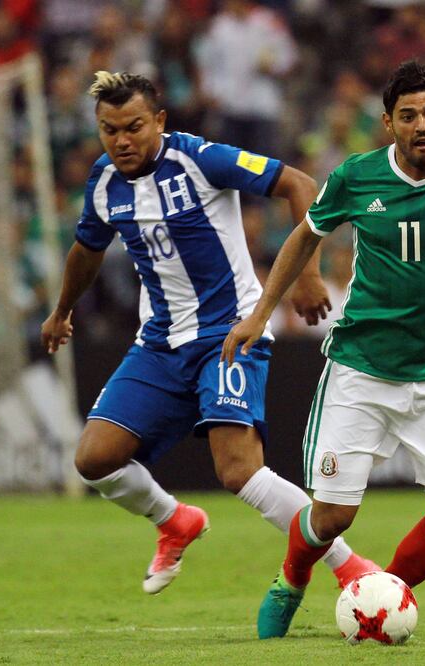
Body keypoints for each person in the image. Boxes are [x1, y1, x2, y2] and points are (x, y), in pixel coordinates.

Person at [221, 61, 425, 638]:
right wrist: (260, 313)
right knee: (334, 515)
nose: (422, 126)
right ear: (389, 123)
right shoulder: (356, 176)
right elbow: (305, 236)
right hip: (362, 370)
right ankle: (291, 578)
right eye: (408, 115)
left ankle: (380, 593)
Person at [41, 71, 375, 597]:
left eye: (133, 127)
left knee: (239, 471)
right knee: (94, 460)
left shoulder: (201, 159)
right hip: (159, 342)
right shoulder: (104, 181)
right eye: (110, 130)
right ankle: (173, 521)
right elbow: (87, 249)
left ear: (159, 121)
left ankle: (351, 567)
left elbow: (300, 185)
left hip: (230, 332)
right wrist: (62, 310)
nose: (122, 141)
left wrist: (305, 277)